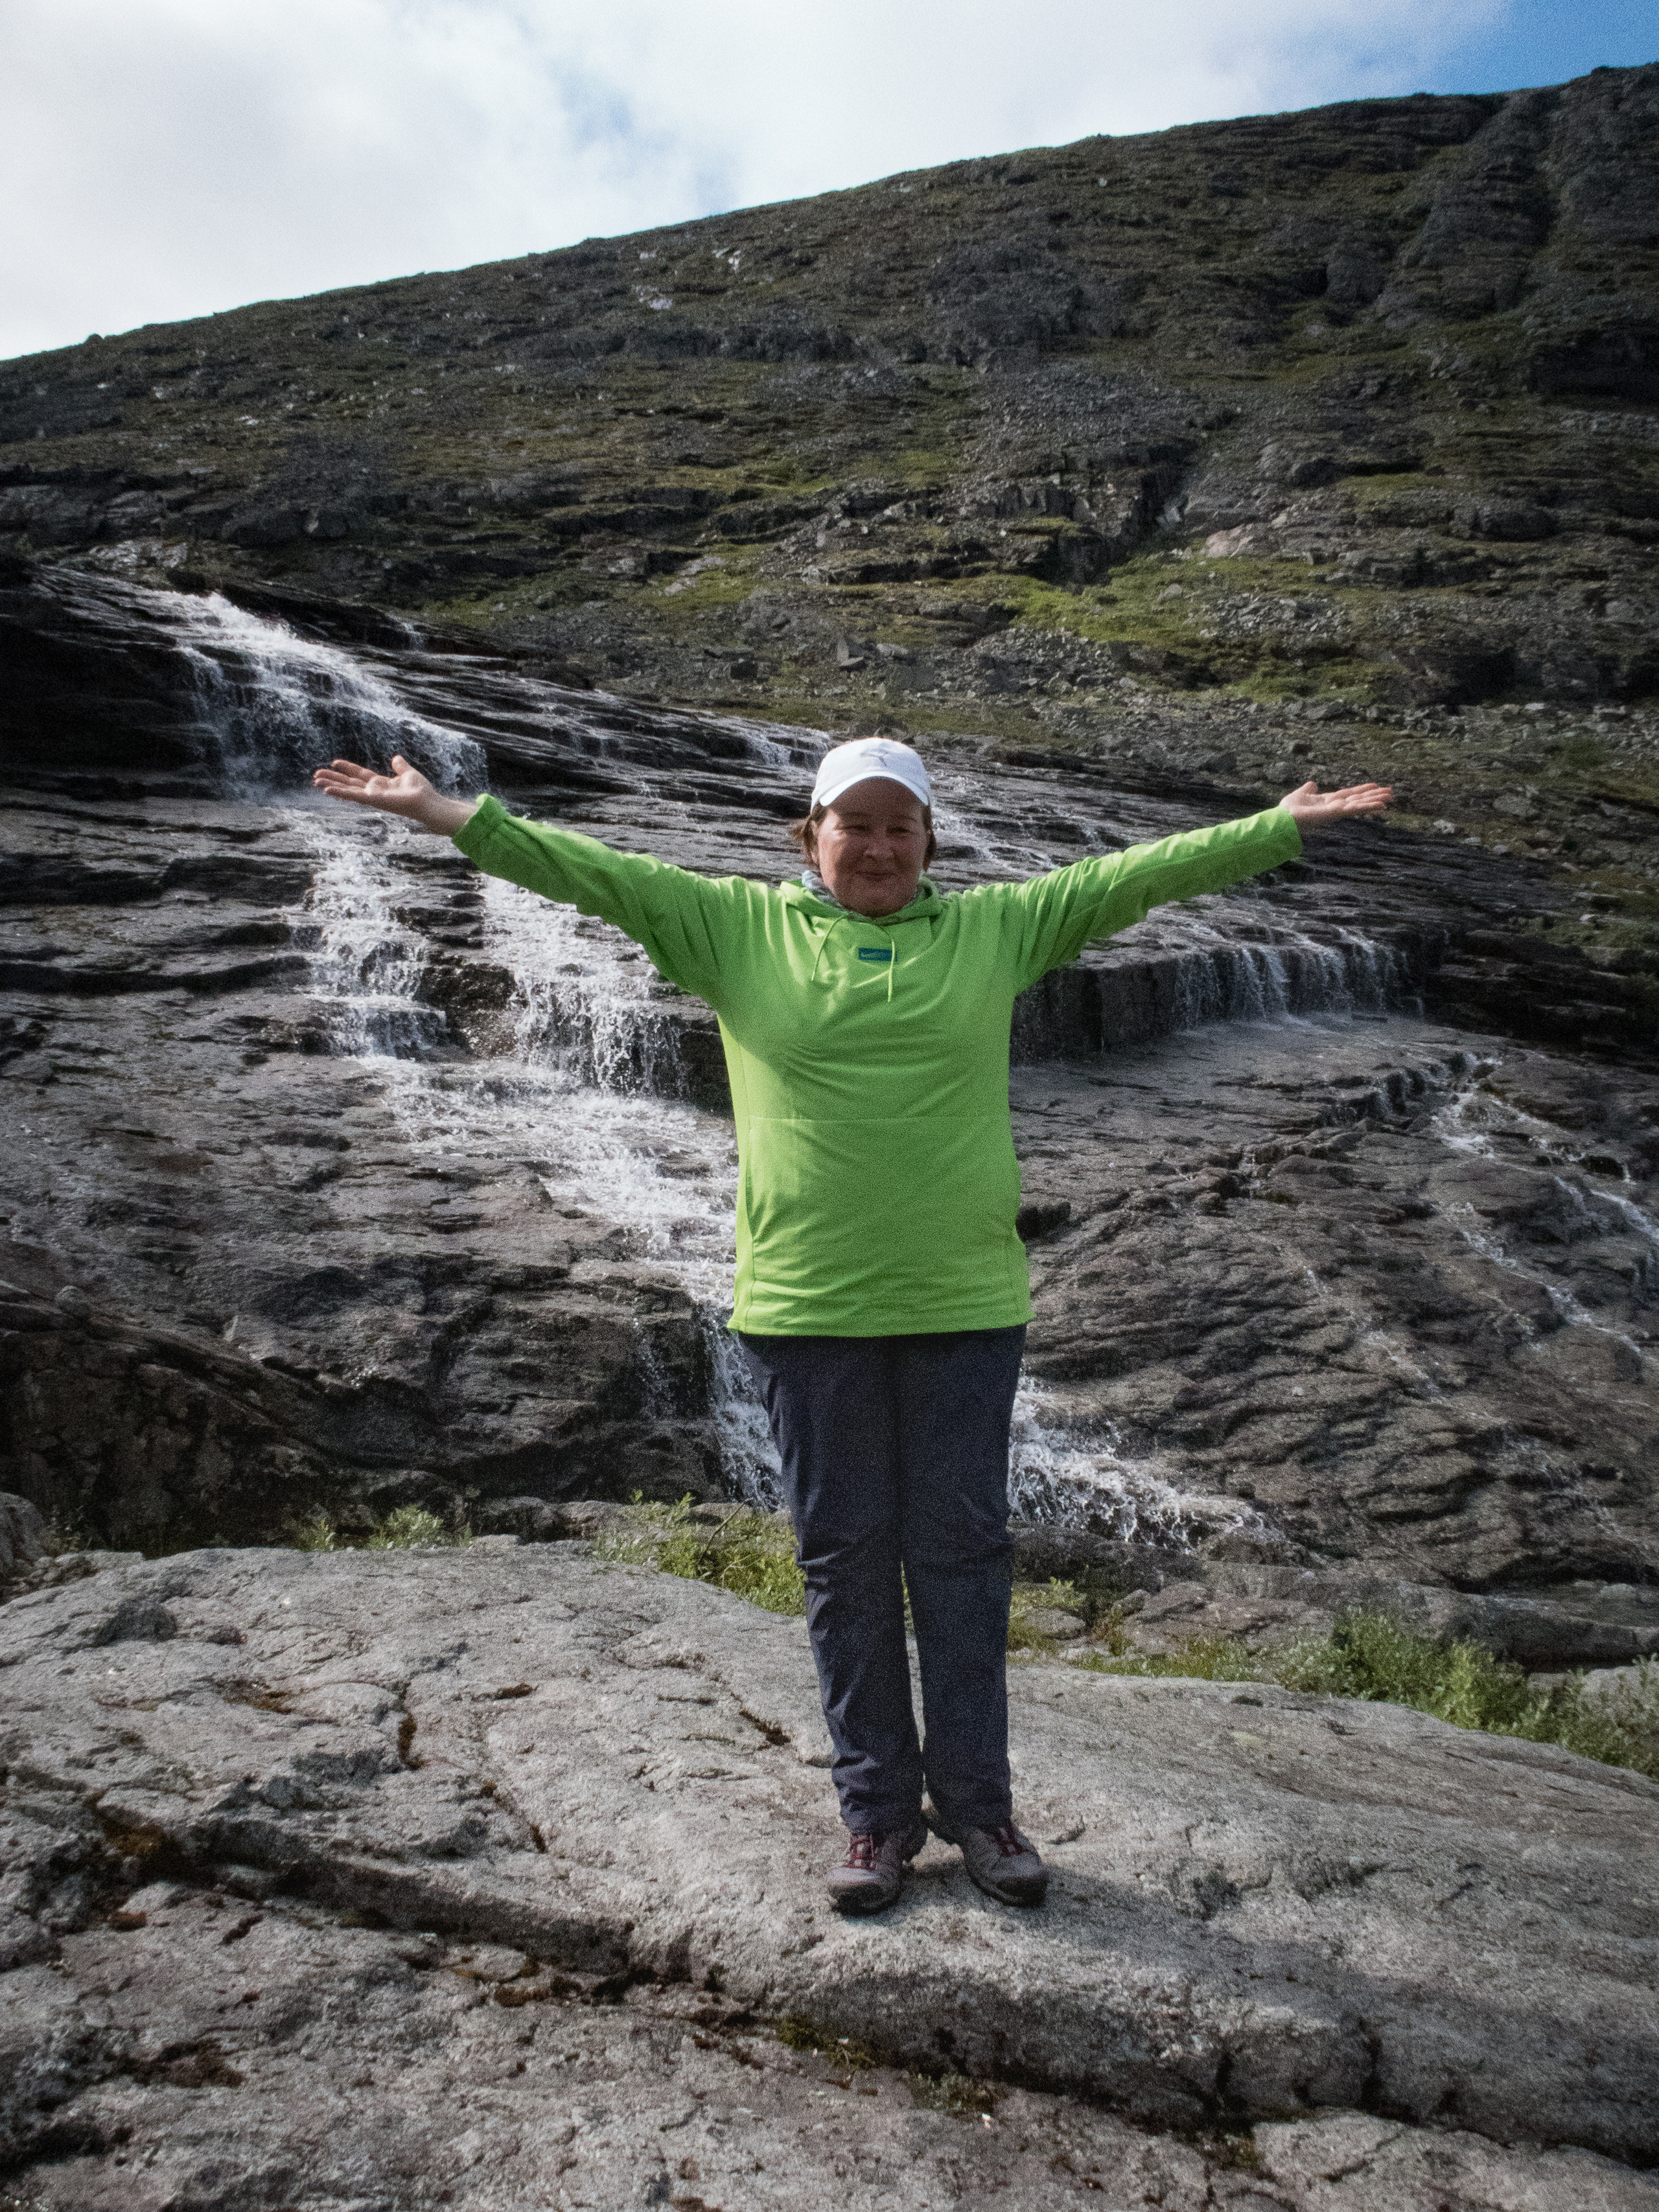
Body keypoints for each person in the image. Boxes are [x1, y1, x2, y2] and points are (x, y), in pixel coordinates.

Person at [314, 736, 1391, 1913]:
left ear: (929, 843)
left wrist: (1274, 824)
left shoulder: (995, 931)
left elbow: (1131, 878)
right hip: (808, 1303)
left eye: (899, 827)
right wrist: (447, 812)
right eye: (854, 824)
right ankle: (875, 1816)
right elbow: (587, 870)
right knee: (845, 1561)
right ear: (810, 833)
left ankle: (980, 1808)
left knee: (964, 1558)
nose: (876, 845)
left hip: (964, 1303)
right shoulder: (731, 926)